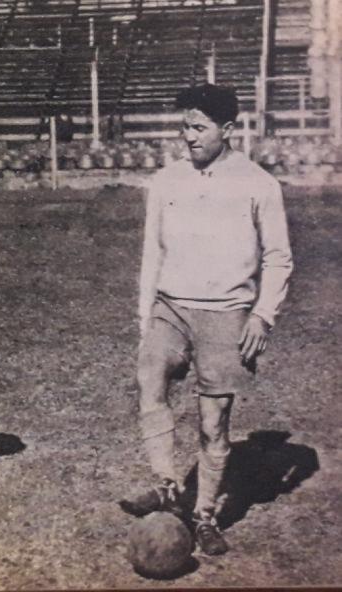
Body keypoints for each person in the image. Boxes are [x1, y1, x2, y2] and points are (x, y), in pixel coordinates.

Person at [121, 83, 293, 556]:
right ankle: (167, 487)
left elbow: (279, 257)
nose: (189, 137)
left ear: (228, 130)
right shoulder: (166, 180)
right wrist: (145, 315)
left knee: (213, 424)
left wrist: (263, 316)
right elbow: (152, 251)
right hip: (169, 307)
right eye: (185, 128)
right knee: (149, 383)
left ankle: (204, 515)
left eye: (199, 128)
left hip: (226, 315)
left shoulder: (258, 184)